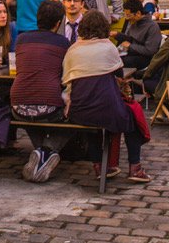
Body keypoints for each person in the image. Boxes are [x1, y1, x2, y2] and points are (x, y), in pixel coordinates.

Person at [62, 10, 153, 184]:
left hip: (79, 110)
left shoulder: (72, 50)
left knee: (92, 122)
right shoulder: (108, 47)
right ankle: (135, 166)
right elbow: (119, 73)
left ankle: (99, 165)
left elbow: (66, 78)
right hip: (107, 108)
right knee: (132, 117)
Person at [12, 0, 70, 183]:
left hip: (17, 106)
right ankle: (46, 150)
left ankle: (39, 153)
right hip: (49, 108)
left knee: (31, 111)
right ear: (58, 23)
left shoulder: (21, 39)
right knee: (76, 114)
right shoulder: (63, 43)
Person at [113, 0, 162, 71]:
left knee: (119, 62)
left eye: (128, 15)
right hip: (132, 54)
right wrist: (117, 35)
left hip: (146, 59)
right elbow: (131, 39)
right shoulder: (134, 23)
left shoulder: (152, 27)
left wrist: (130, 46)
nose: (126, 18)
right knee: (112, 58)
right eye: (125, 15)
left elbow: (150, 50)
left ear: (138, 13)